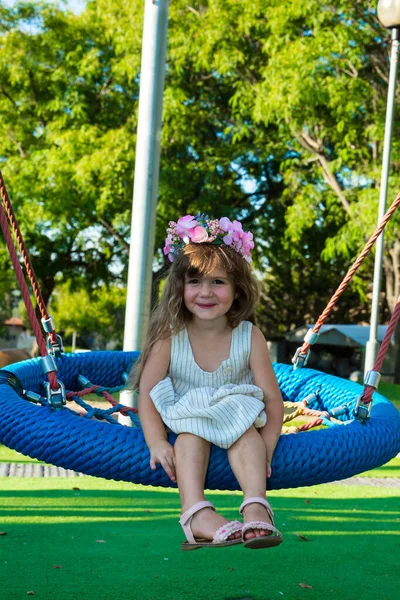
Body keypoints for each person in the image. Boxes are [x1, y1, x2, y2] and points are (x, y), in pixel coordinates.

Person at [131, 214, 284, 551]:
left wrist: (268, 444)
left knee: (248, 437)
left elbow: (273, 399)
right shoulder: (170, 339)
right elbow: (148, 393)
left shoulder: (249, 337)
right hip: (189, 420)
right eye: (195, 281)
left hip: (237, 419)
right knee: (188, 438)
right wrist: (156, 441)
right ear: (179, 287)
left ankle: (255, 504)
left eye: (218, 282)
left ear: (237, 290)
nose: (205, 292)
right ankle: (195, 513)